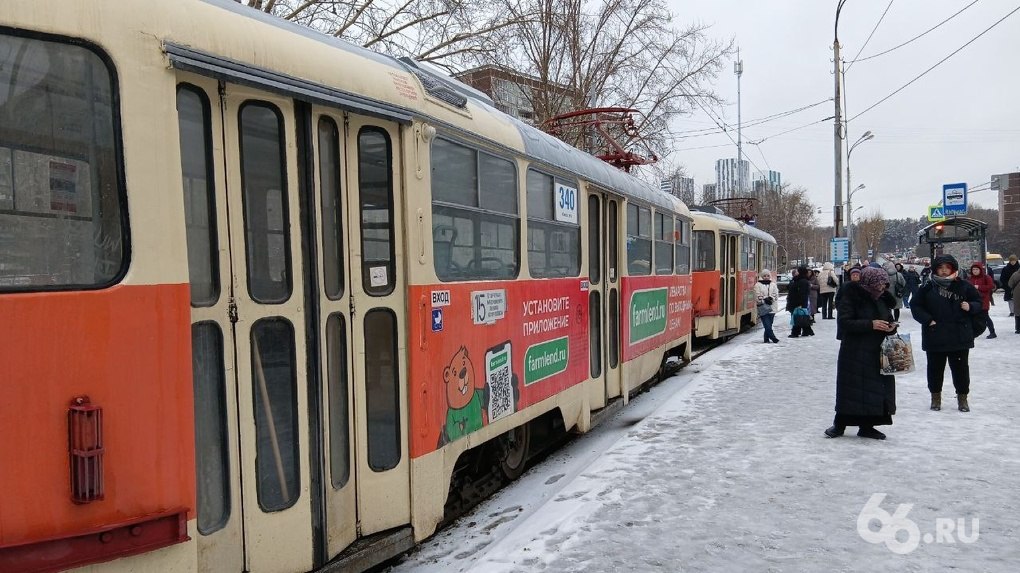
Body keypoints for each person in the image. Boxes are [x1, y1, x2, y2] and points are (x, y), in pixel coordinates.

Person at [825, 266, 898, 440]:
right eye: (879, 283)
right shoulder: (851, 296)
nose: (882, 287)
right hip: (854, 351)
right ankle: (839, 425)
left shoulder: (882, 299)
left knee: (874, 390)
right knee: (851, 390)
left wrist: (890, 327)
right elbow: (845, 322)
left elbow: (887, 319)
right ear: (870, 282)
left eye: (884, 283)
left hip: (877, 351)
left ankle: (867, 426)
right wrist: (870, 324)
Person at [909, 255, 982, 412]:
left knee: (961, 370)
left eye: (947, 268)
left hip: (959, 336)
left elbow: (979, 303)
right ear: (935, 269)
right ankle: (935, 398)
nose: (943, 271)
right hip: (935, 335)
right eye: (940, 268)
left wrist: (970, 306)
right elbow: (915, 306)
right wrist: (928, 320)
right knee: (935, 370)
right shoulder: (927, 287)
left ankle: (962, 399)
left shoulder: (964, 286)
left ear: (952, 269)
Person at [966, 262, 997, 339]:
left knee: (985, 317)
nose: (975, 271)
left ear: (980, 270)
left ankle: (992, 332)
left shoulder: (986, 277)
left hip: (983, 302)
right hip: (973, 303)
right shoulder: (970, 279)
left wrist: (979, 287)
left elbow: (991, 286)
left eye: (977, 269)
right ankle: (972, 332)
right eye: (973, 269)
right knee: (973, 318)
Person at [786, 266, 814, 337]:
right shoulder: (800, 280)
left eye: (798, 271)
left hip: (798, 302)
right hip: (796, 301)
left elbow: (803, 293)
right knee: (800, 316)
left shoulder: (802, 281)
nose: (796, 272)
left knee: (798, 317)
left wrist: (801, 303)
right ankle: (806, 331)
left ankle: (796, 332)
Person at [755, 270, 781, 343]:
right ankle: (773, 338)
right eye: (764, 276)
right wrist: (765, 299)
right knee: (767, 324)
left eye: (768, 276)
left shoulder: (773, 284)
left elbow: (776, 294)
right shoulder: (757, 285)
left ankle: (766, 339)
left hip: (772, 307)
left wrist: (771, 299)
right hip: (763, 307)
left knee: (769, 324)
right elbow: (757, 295)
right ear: (762, 277)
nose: (766, 277)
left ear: (770, 276)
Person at [1009, 268, 1020, 334]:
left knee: (1018, 311)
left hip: (1017, 295)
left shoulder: (1015, 274)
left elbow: (1010, 284)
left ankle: (1018, 328)